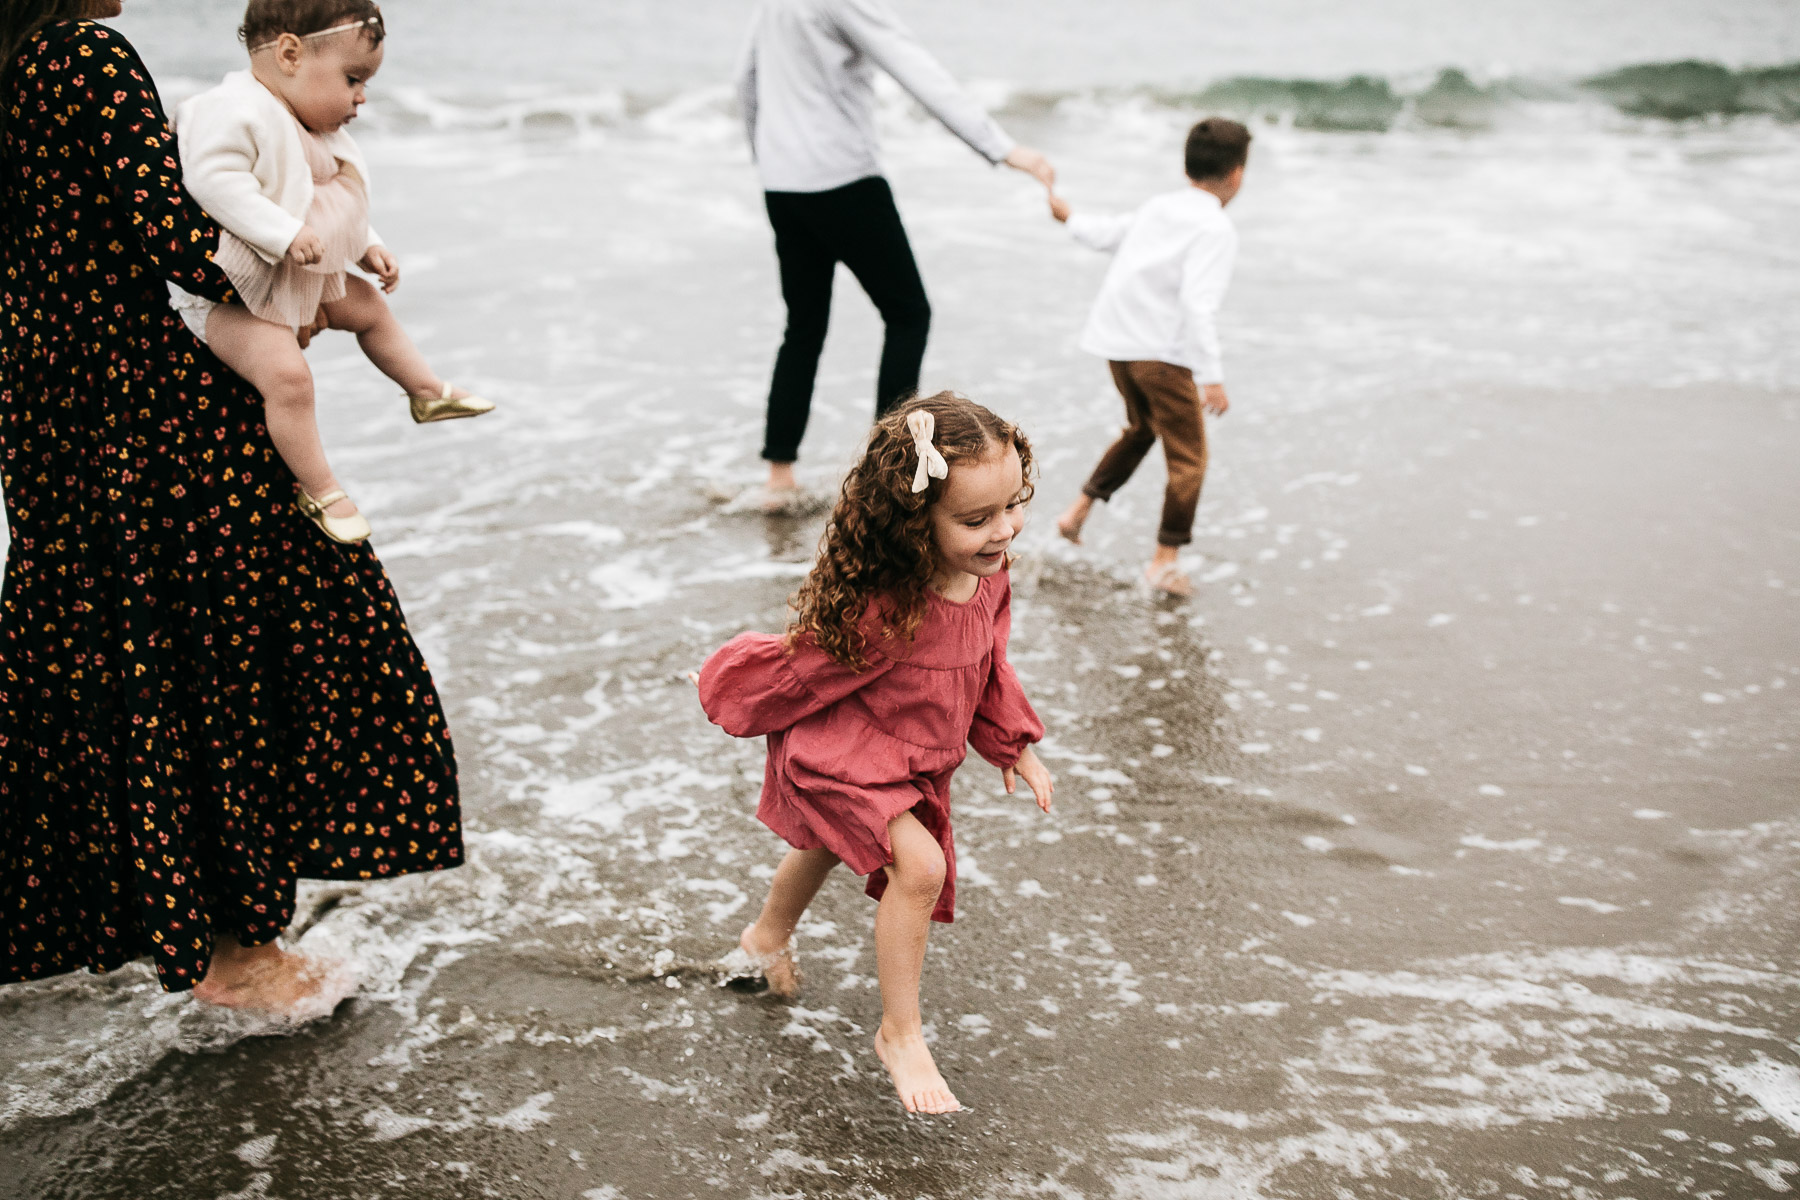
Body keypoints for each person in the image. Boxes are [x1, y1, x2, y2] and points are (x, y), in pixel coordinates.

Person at [0, 0, 462, 1016]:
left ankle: (169, 921)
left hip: (39, 392)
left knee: (112, 647)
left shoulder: (16, 62)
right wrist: (308, 275)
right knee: (243, 626)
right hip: (134, 393)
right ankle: (236, 957)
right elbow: (177, 236)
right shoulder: (86, 52)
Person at [695, 392, 1054, 1114]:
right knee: (918, 868)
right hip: (843, 756)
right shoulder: (890, 606)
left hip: (913, 759)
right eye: (976, 519)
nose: (1003, 531)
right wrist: (734, 692)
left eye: (1013, 505)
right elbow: (803, 668)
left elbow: (988, 665)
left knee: (828, 846)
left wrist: (1013, 744)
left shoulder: (990, 577)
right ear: (916, 519)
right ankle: (900, 1033)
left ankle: (764, 939)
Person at [168, 0, 494, 546]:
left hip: (287, 275)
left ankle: (424, 389)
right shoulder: (231, 108)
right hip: (225, 296)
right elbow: (214, 181)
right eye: (353, 79)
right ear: (290, 54)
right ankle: (320, 488)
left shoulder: (306, 122)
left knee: (368, 305)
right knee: (288, 377)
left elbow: (326, 200)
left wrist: (368, 244)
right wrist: (283, 234)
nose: (362, 97)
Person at [735, 0, 1057, 511]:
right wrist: (1000, 147)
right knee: (909, 313)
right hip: (843, 178)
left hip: (783, 183)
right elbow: (912, 66)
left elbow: (747, 84)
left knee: (804, 325)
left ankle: (780, 475)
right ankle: (880, 474)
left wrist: (770, 159)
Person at [1049, 118, 1252, 596]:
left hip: (1118, 346)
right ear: (1237, 174)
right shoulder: (1215, 227)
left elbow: (1106, 234)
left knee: (1142, 429)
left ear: (1188, 165)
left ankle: (1075, 514)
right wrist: (1212, 376)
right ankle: (1164, 561)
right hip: (1160, 354)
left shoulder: (1160, 206)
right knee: (1190, 459)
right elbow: (1197, 304)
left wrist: (1068, 216)